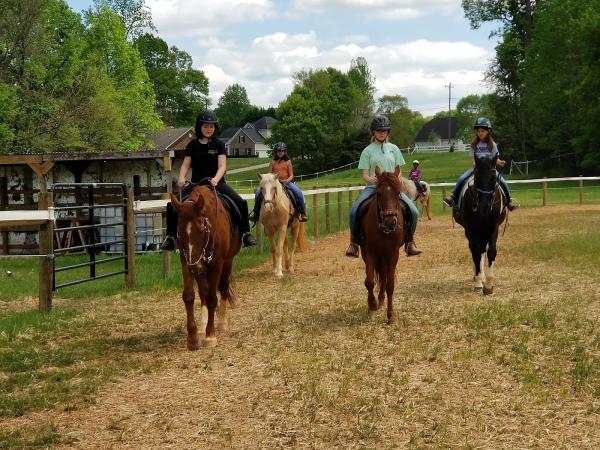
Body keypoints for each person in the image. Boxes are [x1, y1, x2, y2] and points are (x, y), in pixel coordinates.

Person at [161, 109, 256, 250]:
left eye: (211, 126)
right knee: (172, 205)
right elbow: (186, 165)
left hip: (216, 183)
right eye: (206, 126)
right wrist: (181, 177)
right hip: (196, 185)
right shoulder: (192, 145)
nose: (209, 129)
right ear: (199, 126)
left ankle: (245, 234)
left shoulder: (219, 144)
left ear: (215, 127)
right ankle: (171, 238)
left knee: (241, 203)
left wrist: (216, 179)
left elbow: (222, 165)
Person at [345, 115, 422, 258]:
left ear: (388, 132)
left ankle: (410, 242)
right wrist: (372, 180)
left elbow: (399, 171)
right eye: (379, 130)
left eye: (384, 130)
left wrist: (395, 181)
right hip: (373, 187)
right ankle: (354, 244)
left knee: (414, 211)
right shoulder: (367, 151)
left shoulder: (394, 149)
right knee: (354, 211)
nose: (382, 133)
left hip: (392, 189)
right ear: (373, 132)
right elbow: (365, 175)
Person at [443, 117, 519, 211]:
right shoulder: (474, 144)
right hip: (477, 169)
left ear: (488, 131)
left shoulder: (492, 145)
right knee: (462, 178)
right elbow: (473, 159)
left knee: (503, 182)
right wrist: (475, 164)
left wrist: (500, 162)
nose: (480, 133)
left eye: (482, 131)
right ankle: (453, 197)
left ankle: (509, 201)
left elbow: (495, 159)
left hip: (489, 170)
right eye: (478, 131)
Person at [249, 142, 308, 223]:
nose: (280, 152)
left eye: (282, 151)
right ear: (276, 152)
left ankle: (302, 212)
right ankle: (255, 212)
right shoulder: (272, 162)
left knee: (298, 192)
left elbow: (291, 175)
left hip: (286, 182)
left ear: (285, 152)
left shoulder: (288, 162)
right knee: (258, 193)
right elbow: (269, 174)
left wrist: (286, 181)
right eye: (278, 151)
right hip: (274, 183)